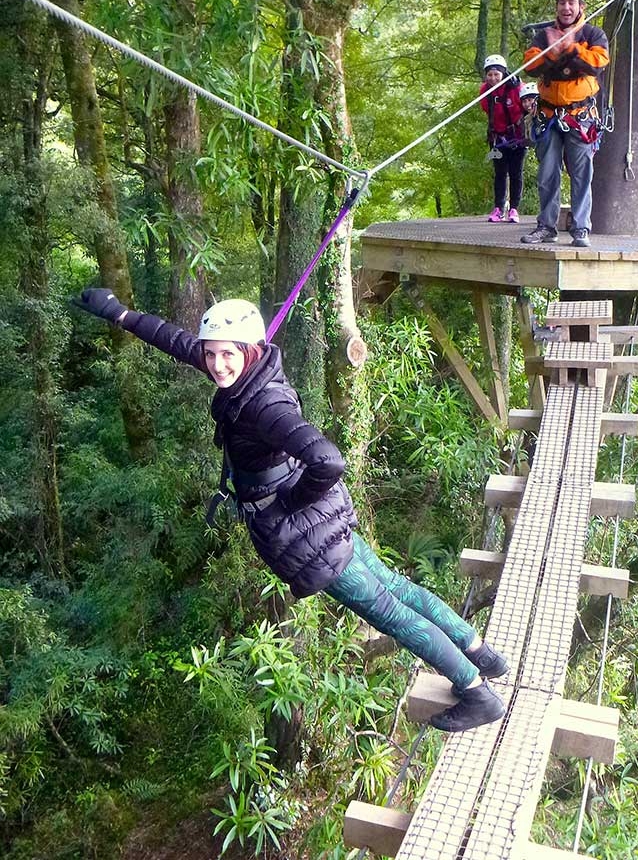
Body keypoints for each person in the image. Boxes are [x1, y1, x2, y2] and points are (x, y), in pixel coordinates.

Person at [76, 290, 508, 733]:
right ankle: (482, 655)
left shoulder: (266, 406)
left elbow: (327, 460)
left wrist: (287, 505)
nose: (216, 365)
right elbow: (180, 342)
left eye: (228, 355)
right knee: (398, 589)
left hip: (307, 535)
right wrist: (121, 313)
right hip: (324, 517)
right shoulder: (247, 373)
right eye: (212, 355)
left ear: (249, 350)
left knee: (391, 613)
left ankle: (475, 691)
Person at [519, 0, 609, 248]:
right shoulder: (544, 35)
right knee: (547, 173)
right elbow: (530, 64)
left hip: (579, 114)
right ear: (557, 7)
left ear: (581, 6)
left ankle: (581, 227)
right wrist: (552, 51)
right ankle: (547, 226)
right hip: (548, 115)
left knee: (582, 173)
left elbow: (598, 62)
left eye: (571, 2)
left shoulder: (593, 34)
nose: (566, 7)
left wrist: (571, 48)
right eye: (562, 3)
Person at [479, 53, 525, 223]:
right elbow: (487, 109)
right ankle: (498, 207)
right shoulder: (485, 91)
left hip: (517, 138)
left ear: (503, 73)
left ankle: (514, 208)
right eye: (489, 74)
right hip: (497, 139)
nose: (493, 78)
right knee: (499, 173)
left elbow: (527, 103)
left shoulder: (516, 87)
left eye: (496, 74)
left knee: (516, 173)